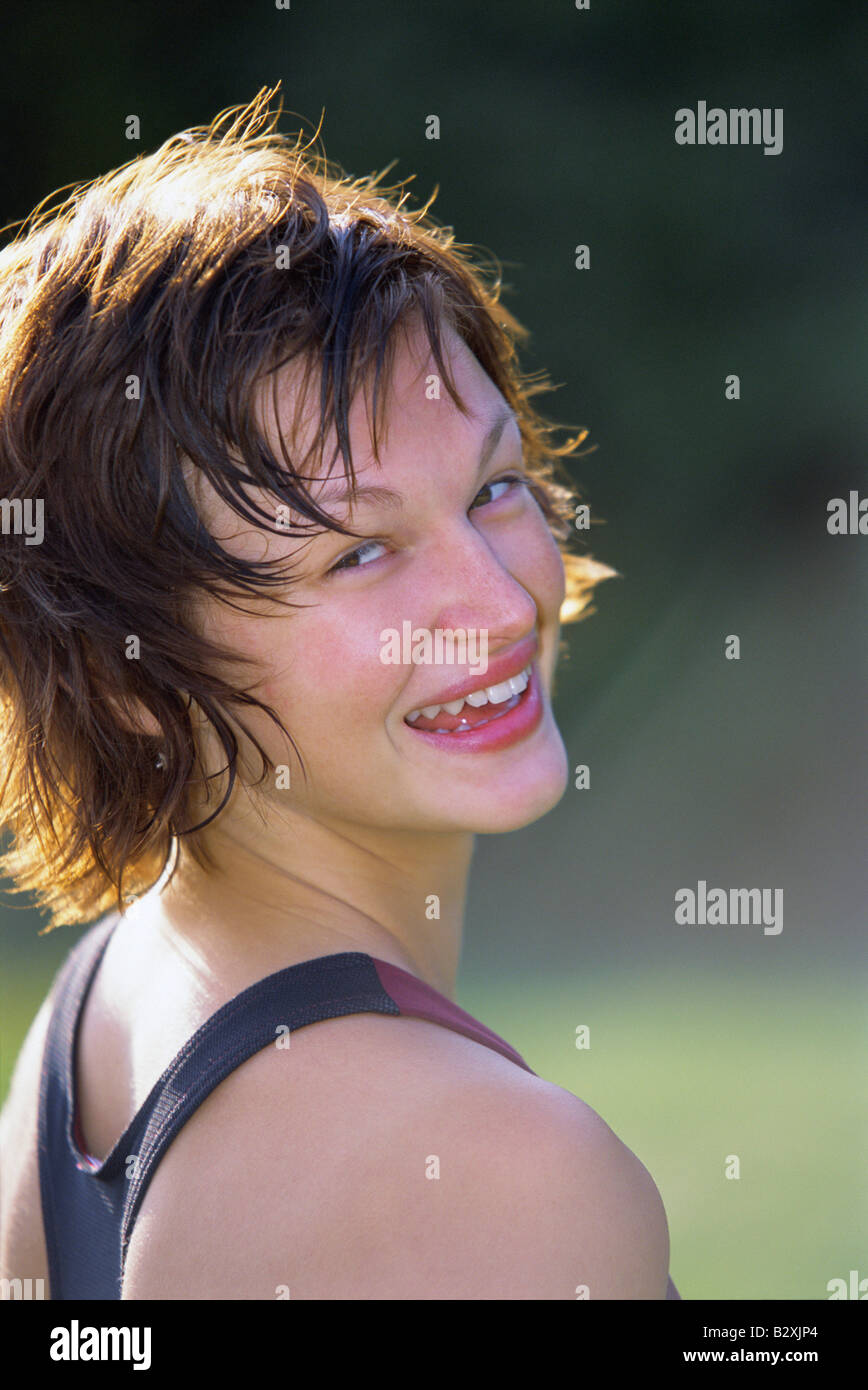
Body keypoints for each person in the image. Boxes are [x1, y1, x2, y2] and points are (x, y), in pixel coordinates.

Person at [0, 87, 680, 1300]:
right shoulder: (501, 1177)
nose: (497, 602)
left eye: (491, 488)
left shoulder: (95, 1012)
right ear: (131, 674)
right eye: (356, 553)